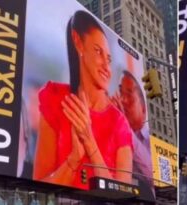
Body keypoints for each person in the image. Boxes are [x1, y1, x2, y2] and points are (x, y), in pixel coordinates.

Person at [33, 10, 133, 188]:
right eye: (97, 51)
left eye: (108, 59)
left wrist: (89, 141)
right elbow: (38, 185)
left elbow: (124, 191)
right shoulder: (55, 98)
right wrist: (73, 160)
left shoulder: (120, 123)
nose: (106, 66)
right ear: (78, 42)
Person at [111, 70, 154, 196]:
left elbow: (152, 175)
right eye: (120, 92)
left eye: (129, 94)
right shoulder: (114, 126)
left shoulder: (150, 140)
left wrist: (124, 127)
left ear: (143, 108)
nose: (122, 100)